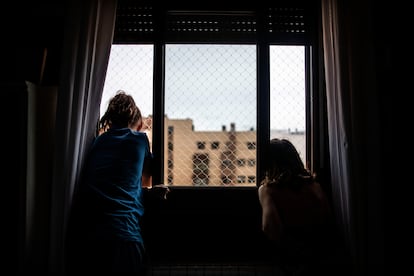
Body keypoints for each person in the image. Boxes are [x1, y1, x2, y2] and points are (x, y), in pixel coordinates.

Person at [66, 90, 168, 274]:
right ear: (136, 121)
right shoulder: (140, 140)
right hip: (125, 233)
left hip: (89, 235)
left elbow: (116, 183)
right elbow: (145, 182)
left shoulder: (97, 143)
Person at [258, 138, 337, 275]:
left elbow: (270, 227)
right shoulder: (315, 186)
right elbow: (328, 220)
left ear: (269, 163)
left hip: (290, 260)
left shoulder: (268, 190)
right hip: (320, 256)